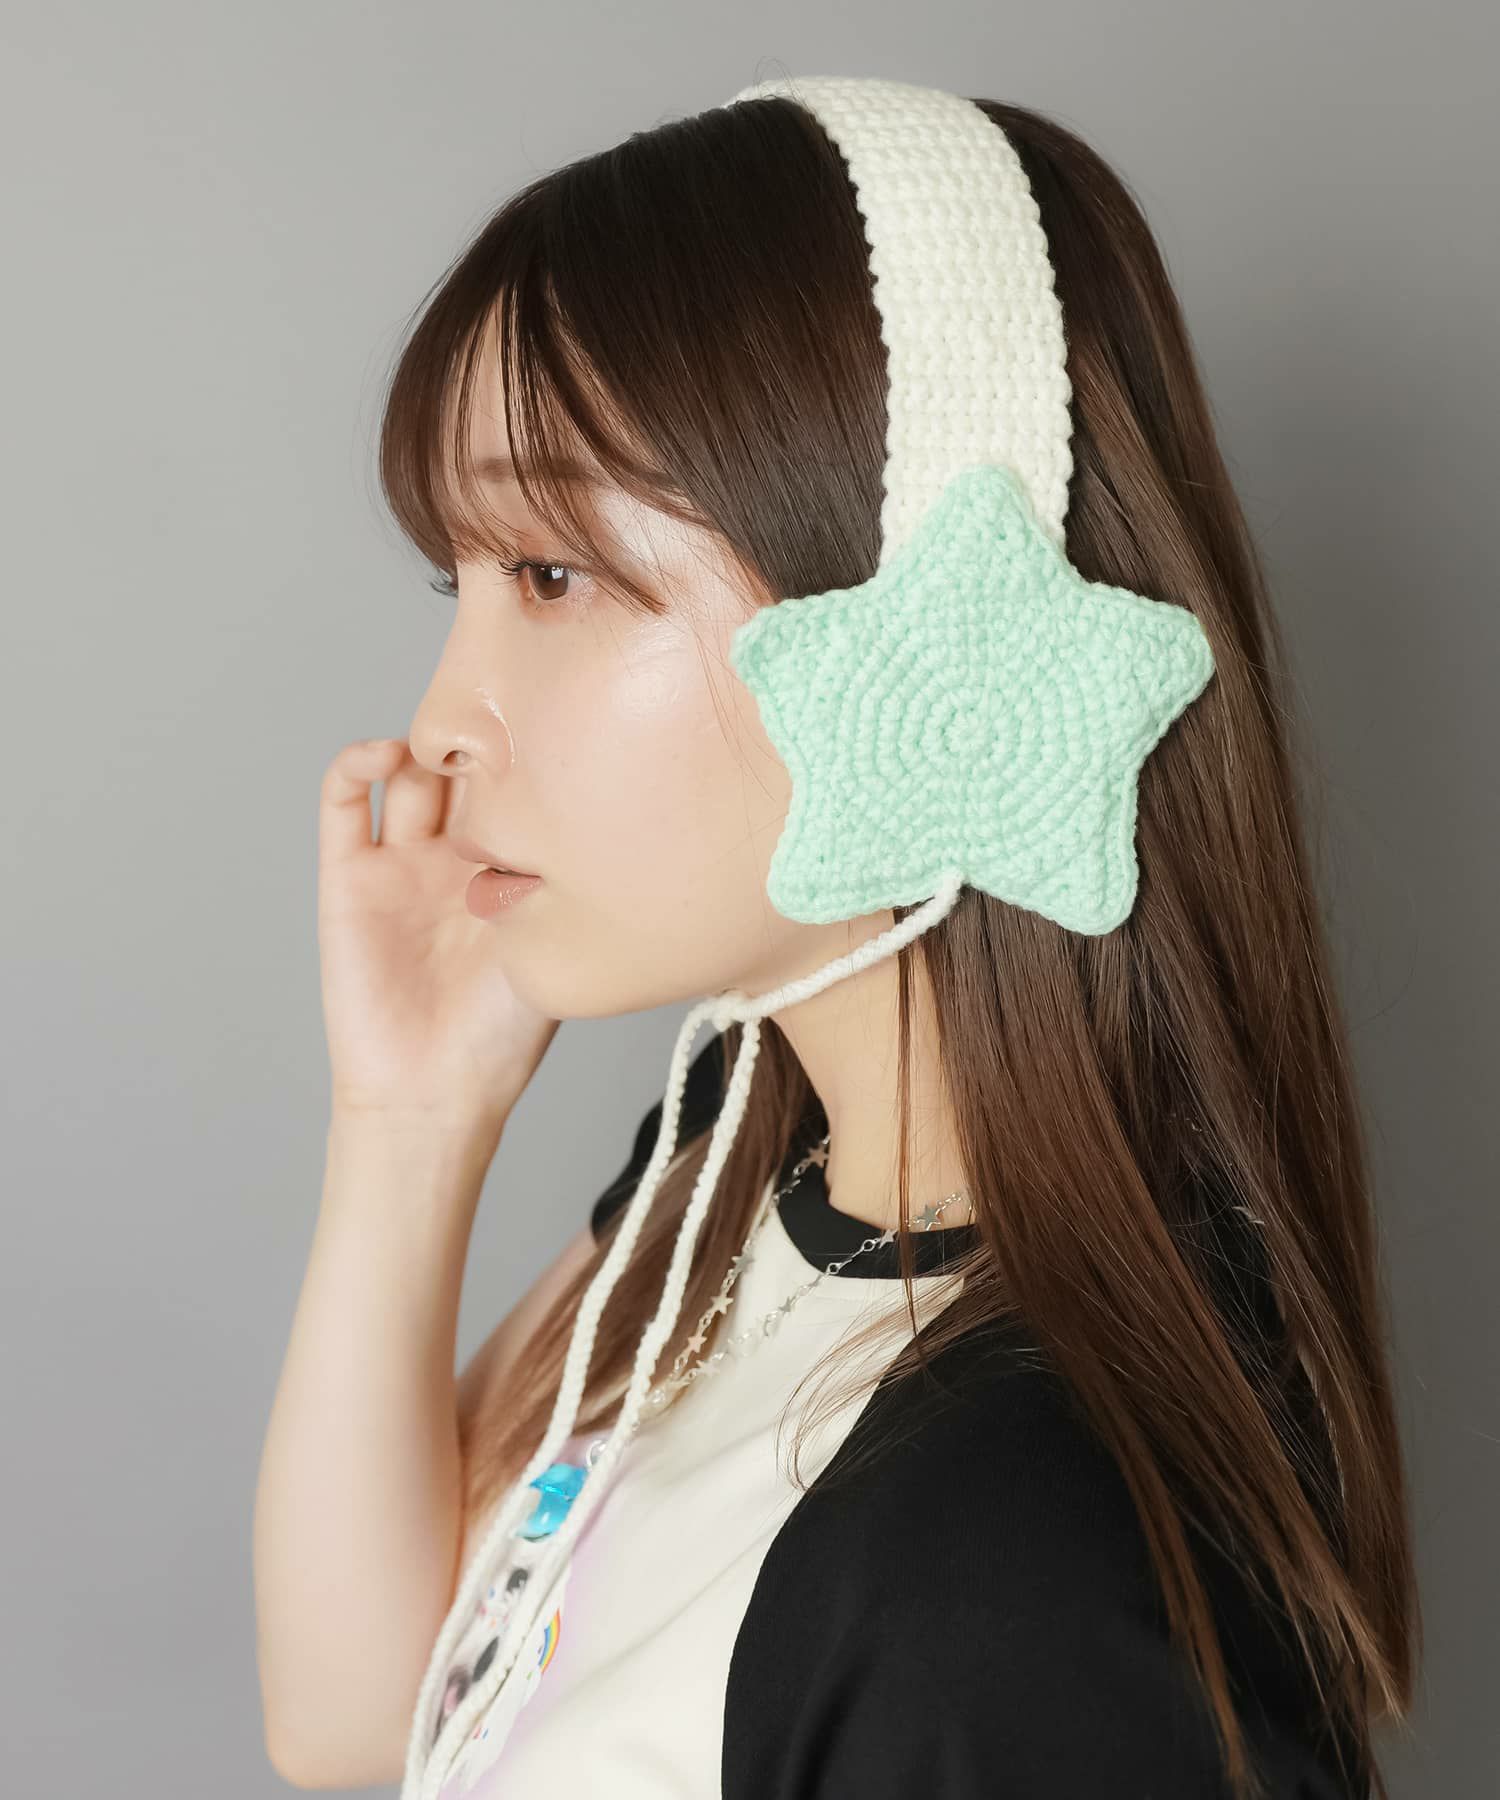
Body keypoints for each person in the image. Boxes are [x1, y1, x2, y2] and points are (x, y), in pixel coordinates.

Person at [253, 73, 1418, 1800]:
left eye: (553, 576)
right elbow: (365, 1717)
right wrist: (408, 1121)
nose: (442, 725)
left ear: (923, 616)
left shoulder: (1016, 1590)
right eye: (462, 582)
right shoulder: (736, 1163)